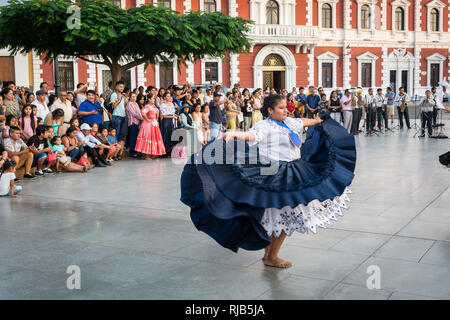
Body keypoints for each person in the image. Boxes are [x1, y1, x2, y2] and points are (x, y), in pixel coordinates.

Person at [180, 94, 356, 268]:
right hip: (274, 173)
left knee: (284, 215)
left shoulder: (290, 122)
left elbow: (304, 122)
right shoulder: (265, 125)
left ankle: (270, 255)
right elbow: (251, 135)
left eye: (285, 107)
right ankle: (271, 256)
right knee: (284, 215)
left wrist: (318, 121)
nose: (285, 110)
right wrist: (233, 133)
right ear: (270, 111)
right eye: (281, 108)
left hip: (294, 170)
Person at [125, 92, 143, 158]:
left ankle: (136, 151)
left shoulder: (136, 104)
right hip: (132, 123)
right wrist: (143, 119)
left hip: (138, 123)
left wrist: (142, 118)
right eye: (132, 96)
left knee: (136, 138)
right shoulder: (129, 104)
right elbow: (134, 114)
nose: (133, 98)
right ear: (129, 97)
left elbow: (139, 113)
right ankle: (132, 152)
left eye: (135, 96)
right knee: (132, 138)